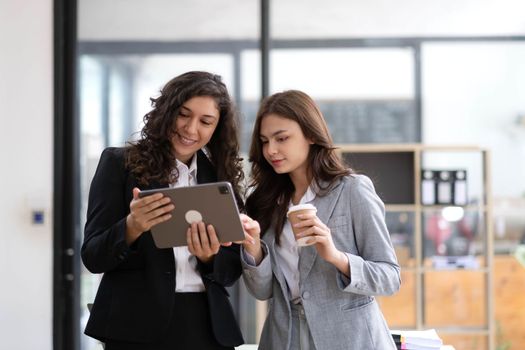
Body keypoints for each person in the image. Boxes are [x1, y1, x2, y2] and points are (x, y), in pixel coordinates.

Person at [81, 71, 245, 350]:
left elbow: (231, 270)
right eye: (183, 114)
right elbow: (93, 256)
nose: (191, 129)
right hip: (134, 325)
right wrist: (132, 226)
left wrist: (209, 257)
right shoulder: (119, 164)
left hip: (206, 326)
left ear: (216, 128)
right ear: (167, 111)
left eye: (206, 121)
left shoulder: (220, 178)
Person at [240, 90, 401, 350]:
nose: (271, 150)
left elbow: (390, 277)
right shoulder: (264, 203)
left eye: (282, 138)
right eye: (265, 140)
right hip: (284, 338)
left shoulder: (352, 190)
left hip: (350, 339)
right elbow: (262, 292)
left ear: (311, 135)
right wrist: (254, 251)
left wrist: (336, 257)